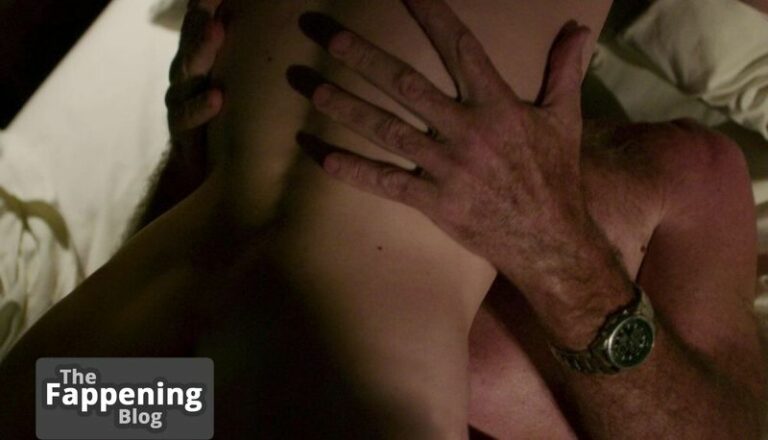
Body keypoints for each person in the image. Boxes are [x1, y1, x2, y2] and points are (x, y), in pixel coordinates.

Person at [0, 0, 764, 438]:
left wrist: (557, 251)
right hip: (138, 385)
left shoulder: (677, 182)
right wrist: (193, 161)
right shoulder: (660, 173)